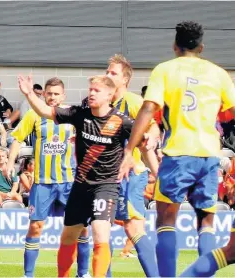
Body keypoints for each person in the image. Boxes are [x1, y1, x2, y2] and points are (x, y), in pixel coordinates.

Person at [119, 21, 235, 277]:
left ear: (175, 46)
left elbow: (149, 108)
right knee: (206, 221)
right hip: (209, 156)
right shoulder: (218, 73)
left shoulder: (165, 70)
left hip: (178, 154)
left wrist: (129, 151)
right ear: (201, 47)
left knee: (165, 222)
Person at [19, 74, 156, 277]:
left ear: (110, 95)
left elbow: (147, 137)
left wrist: (154, 159)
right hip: (80, 186)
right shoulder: (79, 114)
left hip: (105, 187)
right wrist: (30, 94)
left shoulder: (122, 121)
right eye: (90, 89)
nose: (91, 93)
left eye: (96, 90)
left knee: (100, 233)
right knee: (68, 238)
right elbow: (46, 111)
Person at [6, 77, 90, 277]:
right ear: (43, 94)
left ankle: (83, 273)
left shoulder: (74, 115)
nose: (52, 97)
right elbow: (17, 139)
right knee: (35, 227)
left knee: (81, 229)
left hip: (70, 182)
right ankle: (28, 274)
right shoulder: (34, 115)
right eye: (49, 93)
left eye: (56, 94)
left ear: (64, 95)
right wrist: (10, 162)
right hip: (43, 183)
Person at [103, 54, 160, 277]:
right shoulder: (101, 102)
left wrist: (152, 137)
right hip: (104, 176)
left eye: (113, 73)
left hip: (130, 176)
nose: (107, 75)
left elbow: (154, 126)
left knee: (133, 227)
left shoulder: (134, 102)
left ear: (124, 80)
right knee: (101, 228)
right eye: (107, 71)